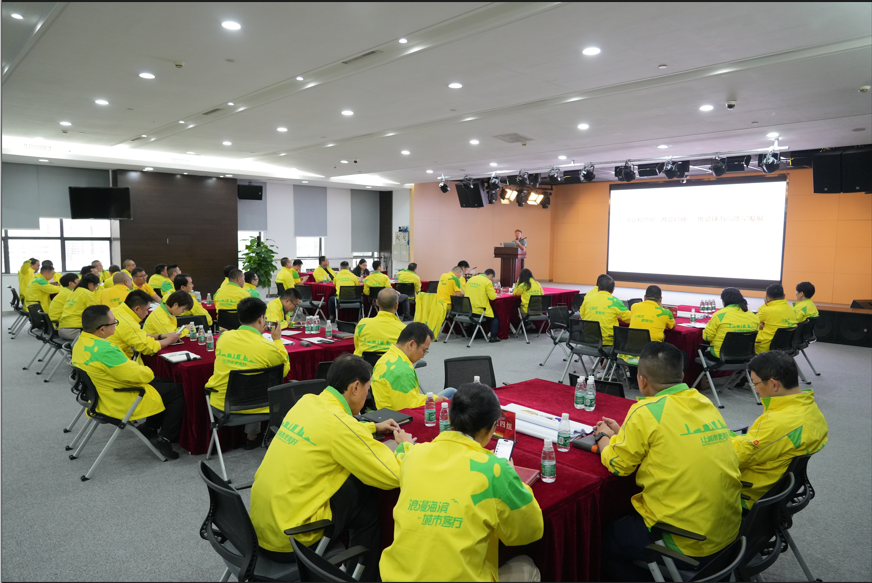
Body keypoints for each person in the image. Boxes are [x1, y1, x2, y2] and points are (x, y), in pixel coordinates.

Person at [249, 354, 415, 580]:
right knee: (367, 498)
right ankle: (364, 576)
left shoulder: (307, 402)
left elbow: (332, 429)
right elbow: (392, 475)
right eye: (367, 389)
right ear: (355, 388)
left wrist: (371, 427)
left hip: (260, 528)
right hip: (293, 539)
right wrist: (405, 447)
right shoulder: (339, 425)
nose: (367, 397)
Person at [596, 342, 742, 581]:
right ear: (682, 376)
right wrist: (623, 435)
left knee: (599, 542)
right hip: (727, 532)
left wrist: (602, 437)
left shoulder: (645, 411)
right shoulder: (703, 402)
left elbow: (617, 466)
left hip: (686, 541)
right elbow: (670, 439)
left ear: (642, 380)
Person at [380, 381, 544, 583]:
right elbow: (530, 530)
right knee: (528, 567)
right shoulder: (495, 470)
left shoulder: (414, 455)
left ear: (450, 418)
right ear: (491, 429)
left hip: (396, 577)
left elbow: (404, 454)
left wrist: (405, 445)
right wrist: (513, 476)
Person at [72, 305, 185, 459]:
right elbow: (137, 375)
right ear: (102, 329)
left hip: (100, 394)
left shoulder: (81, 341)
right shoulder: (105, 350)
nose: (116, 324)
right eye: (114, 322)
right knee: (177, 391)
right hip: (117, 398)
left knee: (164, 382)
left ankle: (150, 427)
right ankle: (164, 438)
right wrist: (149, 371)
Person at [733, 351, 828, 509]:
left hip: (748, 494)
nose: (756, 390)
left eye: (755, 384)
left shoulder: (778, 423)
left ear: (773, 384)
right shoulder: (811, 409)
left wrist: (722, 438)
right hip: (776, 488)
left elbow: (735, 458)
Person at [206, 297, 290, 448]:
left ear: (240, 317)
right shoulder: (268, 347)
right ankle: (254, 437)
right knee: (262, 384)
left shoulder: (223, 338)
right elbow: (284, 371)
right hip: (261, 405)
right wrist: (277, 341)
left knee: (250, 378)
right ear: (261, 319)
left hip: (222, 404)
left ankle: (252, 436)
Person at [371, 322, 455, 409]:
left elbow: (411, 398)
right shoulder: (402, 371)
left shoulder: (386, 358)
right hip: (401, 415)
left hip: (388, 411)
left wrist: (434, 399)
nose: (423, 356)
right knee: (453, 396)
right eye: (424, 350)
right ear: (411, 344)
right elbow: (410, 410)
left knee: (451, 391)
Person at [109, 290, 181, 363]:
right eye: (147, 309)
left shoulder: (115, 310)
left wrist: (160, 336)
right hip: (117, 360)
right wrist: (169, 340)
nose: (147, 313)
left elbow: (137, 335)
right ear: (137, 309)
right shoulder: (128, 323)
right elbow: (148, 348)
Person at [702, 288, 760, 359]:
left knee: (703, 350)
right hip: (746, 356)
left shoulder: (719, 315)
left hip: (720, 356)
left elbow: (707, 337)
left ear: (724, 301)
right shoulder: (754, 316)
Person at [580, 274, 630, 347]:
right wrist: (618, 317)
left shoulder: (588, 299)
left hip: (588, 339)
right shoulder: (615, 301)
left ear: (598, 289)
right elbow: (630, 319)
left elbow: (582, 315)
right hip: (607, 341)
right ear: (612, 290)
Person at [354, 288, 407, 356]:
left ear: (377, 302)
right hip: (392, 362)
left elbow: (357, 346)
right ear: (396, 305)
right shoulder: (404, 330)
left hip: (364, 362)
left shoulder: (362, 324)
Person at [756, 284, 798, 354]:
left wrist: (760, 324)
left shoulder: (766, 310)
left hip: (765, 348)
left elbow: (752, 322)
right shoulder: (793, 310)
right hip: (785, 346)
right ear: (784, 296)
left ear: (768, 298)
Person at [58, 274, 101, 341]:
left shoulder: (73, 292)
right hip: (75, 331)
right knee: (105, 334)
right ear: (91, 284)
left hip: (61, 330)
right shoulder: (87, 293)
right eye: (96, 286)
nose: (95, 289)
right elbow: (97, 312)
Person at [466, 268, 501, 342]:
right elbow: (492, 297)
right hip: (480, 310)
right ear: (491, 275)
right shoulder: (487, 282)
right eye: (492, 278)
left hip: (469, 309)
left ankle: (476, 333)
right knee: (495, 317)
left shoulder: (471, 279)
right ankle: (493, 336)